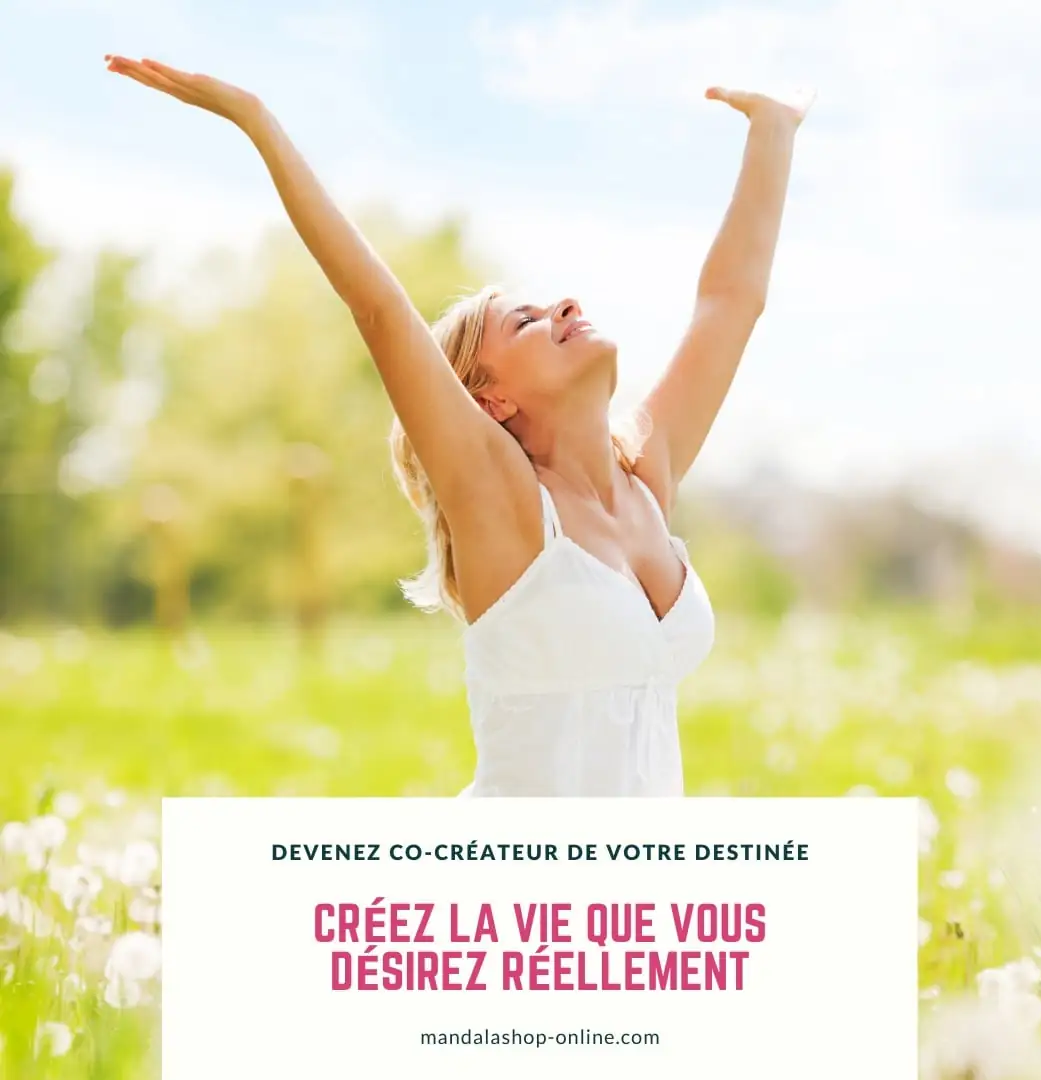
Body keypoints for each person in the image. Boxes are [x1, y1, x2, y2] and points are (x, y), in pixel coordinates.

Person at [105, 54, 814, 797]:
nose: (564, 307)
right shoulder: (503, 500)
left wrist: (772, 129)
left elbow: (729, 304)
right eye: (528, 322)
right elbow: (378, 308)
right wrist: (259, 123)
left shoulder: (644, 475)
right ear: (489, 403)